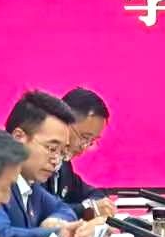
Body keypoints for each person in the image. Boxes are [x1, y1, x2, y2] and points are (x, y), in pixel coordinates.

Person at [0, 90, 104, 237]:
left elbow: (63, 209)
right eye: (51, 149)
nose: (56, 160)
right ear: (19, 138)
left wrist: (56, 221)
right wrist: (59, 234)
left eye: (61, 151)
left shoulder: (29, 183)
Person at [49, 86, 117, 217]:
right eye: (85, 137)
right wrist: (87, 209)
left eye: (92, 141)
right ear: (63, 123)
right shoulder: (36, 163)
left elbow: (95, 193)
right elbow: (46, 212)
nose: (84, 147)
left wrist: (97, 205)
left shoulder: (64, 166)